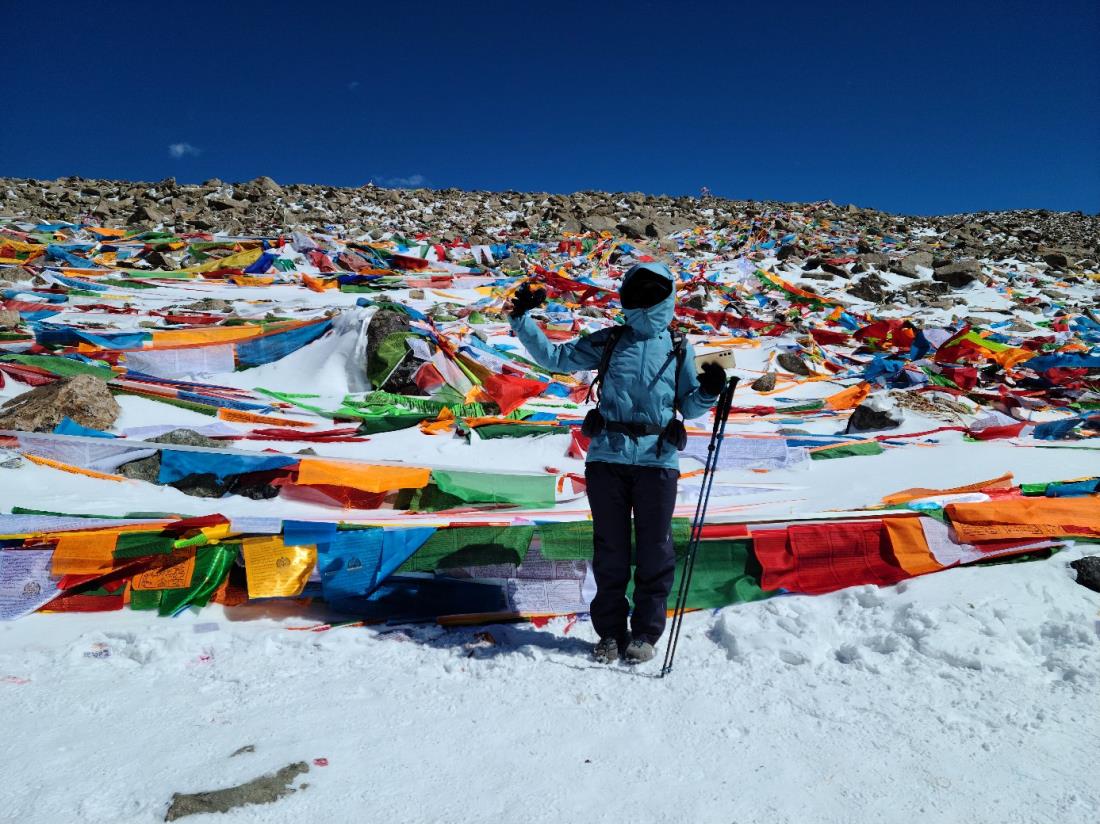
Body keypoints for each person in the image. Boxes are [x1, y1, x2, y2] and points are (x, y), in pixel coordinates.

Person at [506, 263, 727, 663]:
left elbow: (690, 406)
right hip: (608, 457)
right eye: (638, 292)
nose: (644, 300)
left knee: (655, 549)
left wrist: (709, 391)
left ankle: (644, 633)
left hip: (657, 460)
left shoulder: (679, 346)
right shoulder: (611, 340)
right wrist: (521, 319)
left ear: (666, 295)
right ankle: (610, 632)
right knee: (610, 549)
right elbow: (556, 358)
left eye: (652, 292)